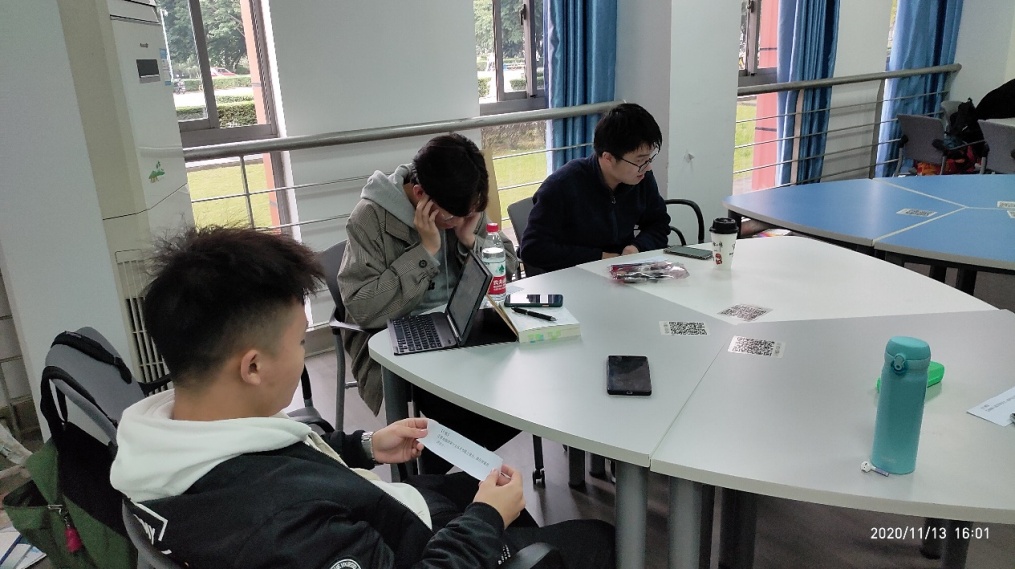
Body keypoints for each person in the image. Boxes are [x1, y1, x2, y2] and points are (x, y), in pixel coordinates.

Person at [109, 226, 615, 569]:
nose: (304, 352)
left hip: (388, 514)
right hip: (412, 547)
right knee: (598, 539)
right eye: (299, 341)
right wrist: (485, 520)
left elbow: (278, 457)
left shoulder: (165, 439)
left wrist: (364, 446)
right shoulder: (279, 527)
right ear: (253, 366)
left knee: (479, 484)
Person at [337, 133, 519, 473]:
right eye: (451, 218)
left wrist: (470, 239)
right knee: (457, 409)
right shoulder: (371, 217)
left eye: (471, 213)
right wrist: (425, 252)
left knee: (519, 394)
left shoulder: (462, 205)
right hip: (402, 334)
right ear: (420, 194)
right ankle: (432, 473)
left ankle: (441, 469)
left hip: (466, 329)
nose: (459, 222)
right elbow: (362, 307)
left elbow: (507, 269)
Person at [521, 103, 671, 273]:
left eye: (649, 159)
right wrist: (600, 257)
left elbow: (659, 224)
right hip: (574, 277)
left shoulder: (640, 177)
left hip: (623, 274)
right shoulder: (562, 185)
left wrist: (636, 247)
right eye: (640, 160)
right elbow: (533, 248)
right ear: (608, 158)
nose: (648, 167)